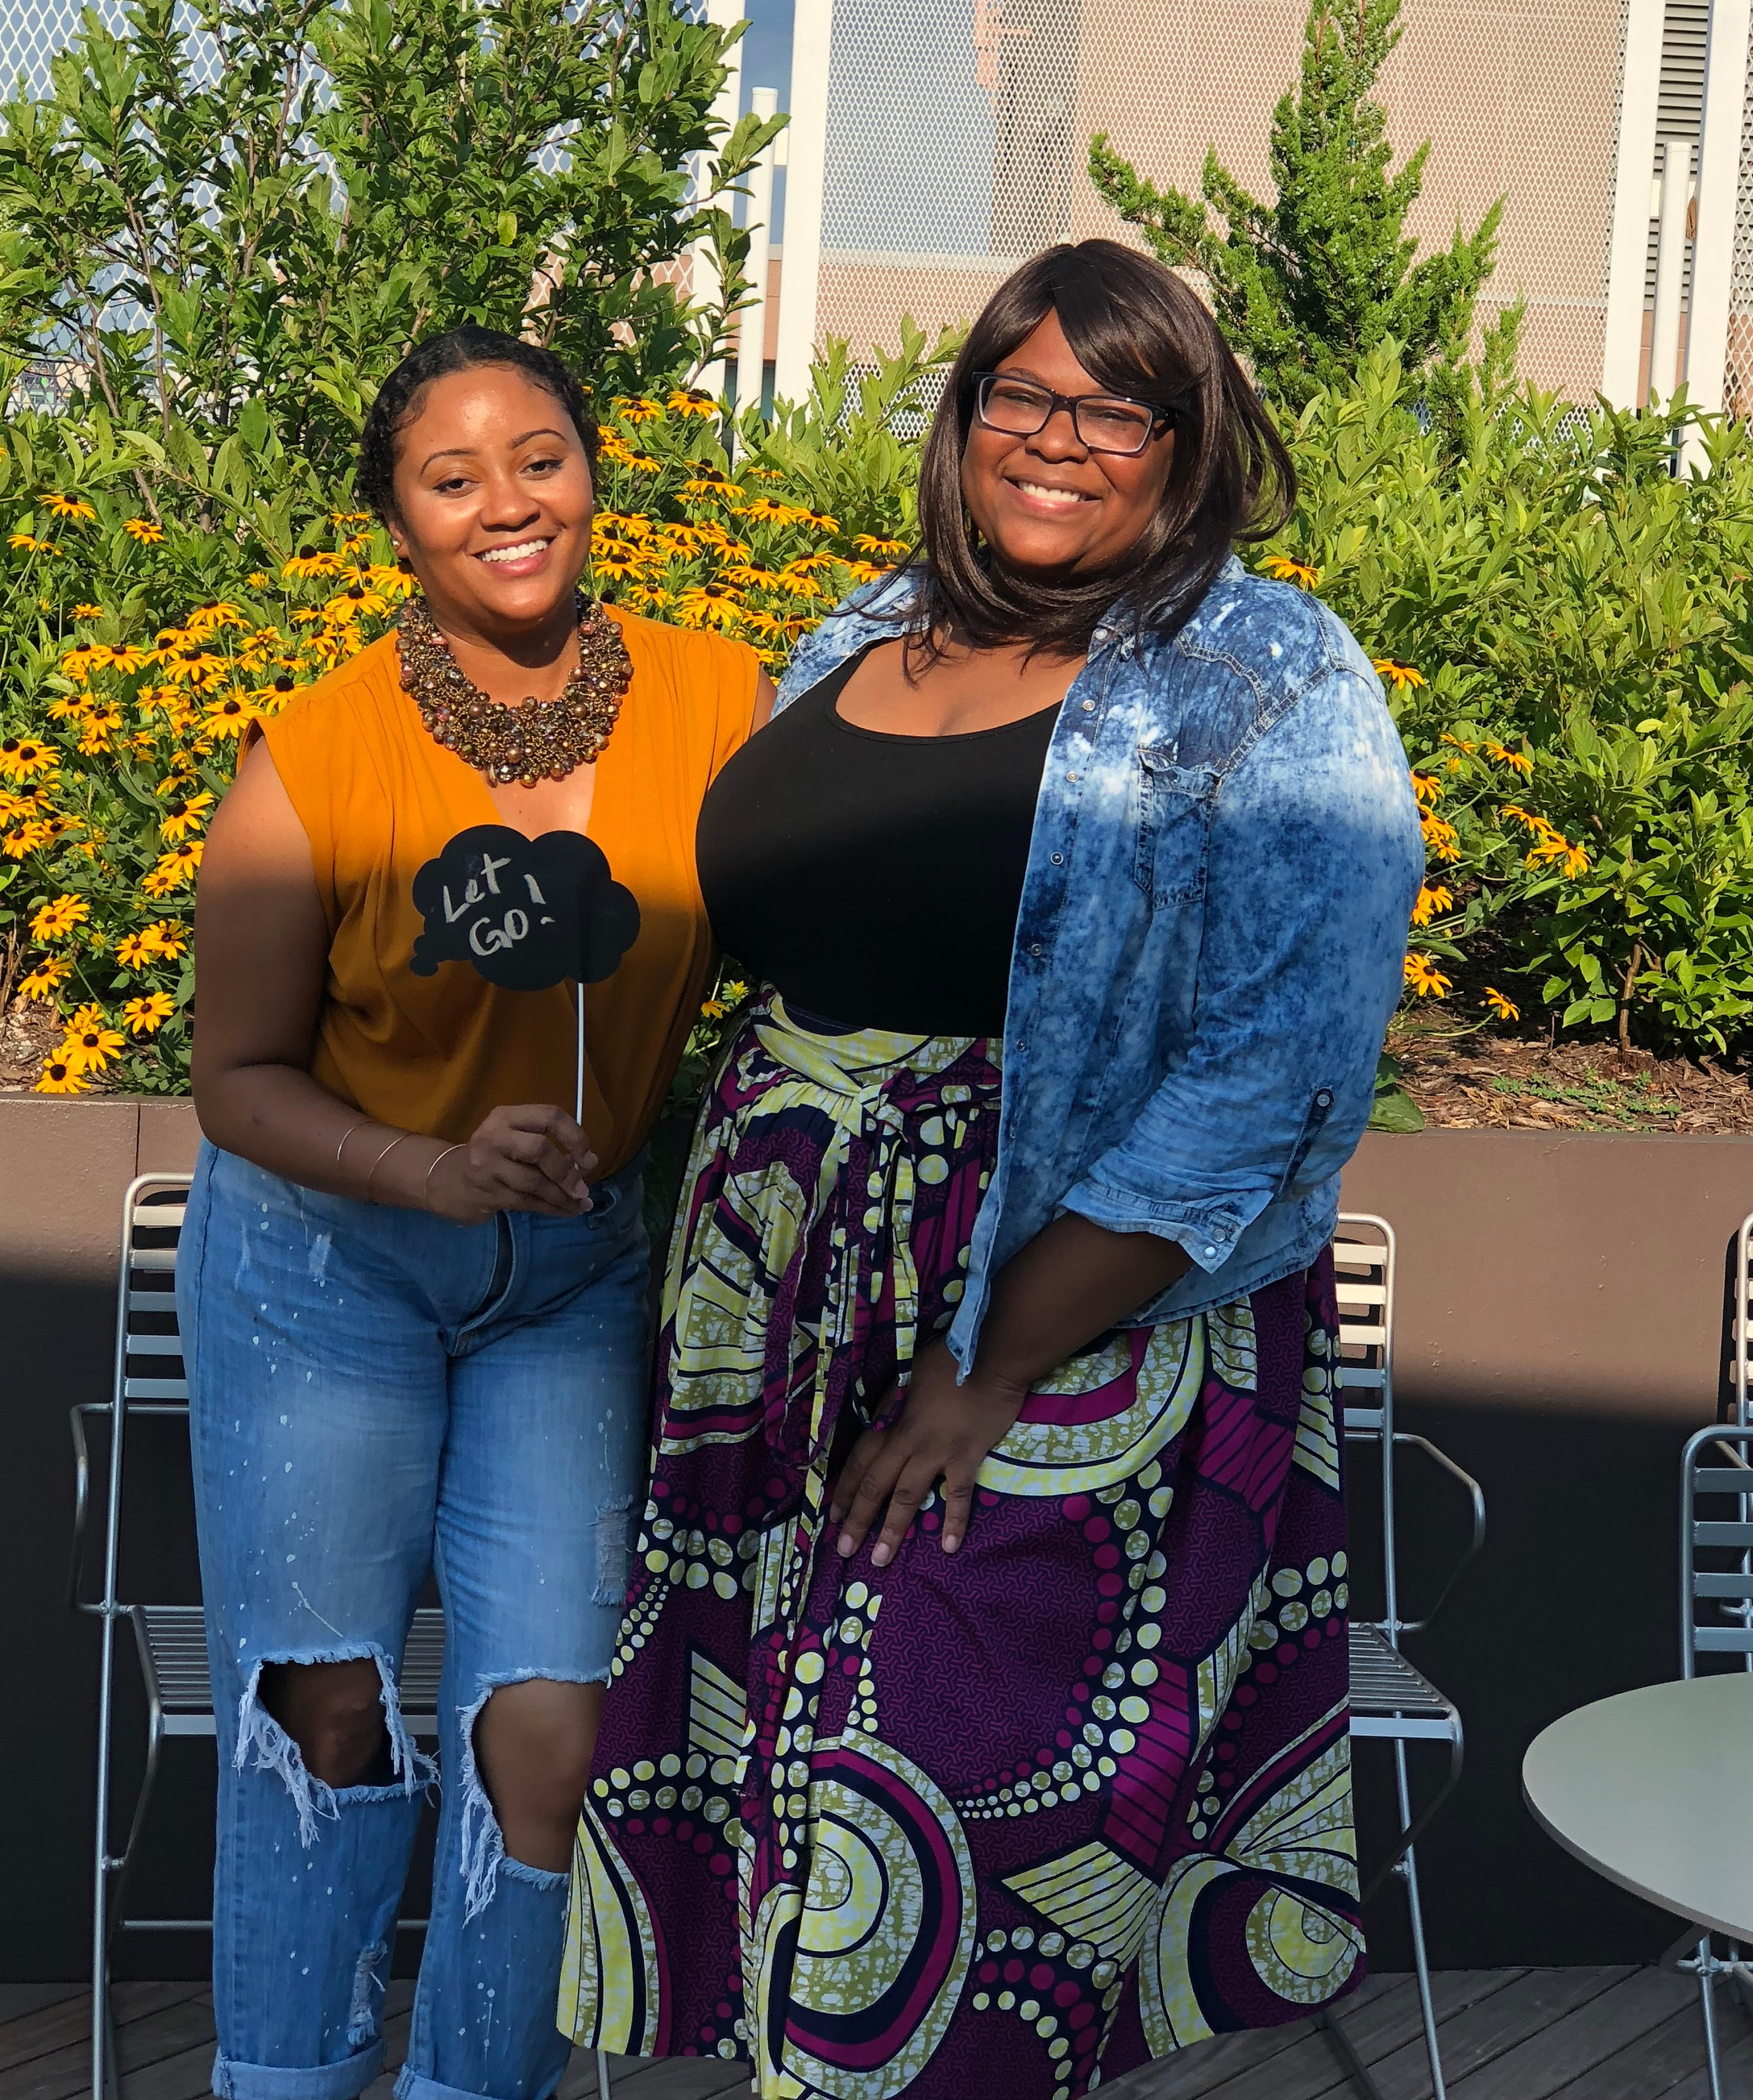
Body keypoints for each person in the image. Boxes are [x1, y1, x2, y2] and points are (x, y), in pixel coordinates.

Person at [560, 240, 1423, 2095]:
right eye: (1019, 393)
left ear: (1189, 442)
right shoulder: (858, 631)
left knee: (956, 1852)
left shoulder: (1266, 671)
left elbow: (1274, 1062)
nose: (1055, 437)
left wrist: (991, 1356)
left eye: (1115, 408)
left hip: (1054, 1320)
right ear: (961, 415)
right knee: (792, 1827)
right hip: (777, 1315)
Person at [182, 326, 770, 2100]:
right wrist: (433, 1166)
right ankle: (286, 2076)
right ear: (398, 523)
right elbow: (235, 1078)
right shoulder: (314, 755)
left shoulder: (723, 702)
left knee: (556, 1733)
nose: (507, 502)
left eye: (539, 457)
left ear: (591, 470)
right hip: (326, 1266)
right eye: (453, 479)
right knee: (327, 1711)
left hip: (570, 1281)